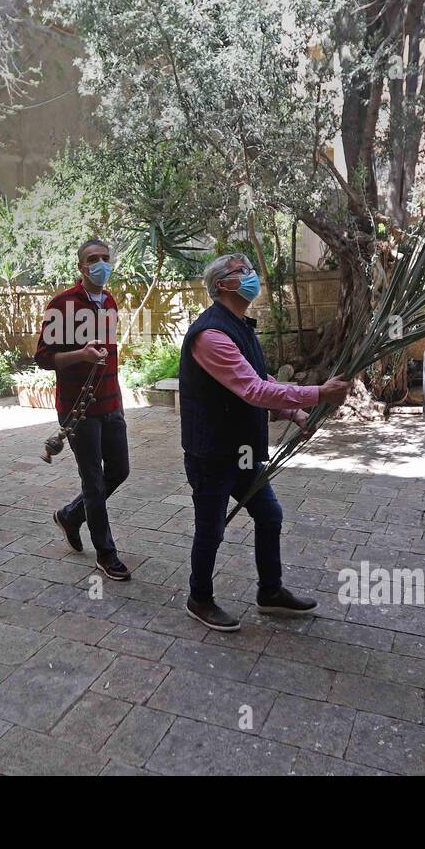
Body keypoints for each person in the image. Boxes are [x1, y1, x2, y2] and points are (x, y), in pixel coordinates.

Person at [178, 253, 350, 631]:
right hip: (211, 452)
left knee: (269, 516)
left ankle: (269, 591)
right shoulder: (210, 335)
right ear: (222, 284)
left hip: (240, 449)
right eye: (244, 272)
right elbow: (254, 390)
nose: (253, 276)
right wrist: (318, 393)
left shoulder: (239, 326)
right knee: (212, 529)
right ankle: (199, 598)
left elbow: (260, 376)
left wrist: (294, 412)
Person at [34, 238, 131, 581]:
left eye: (105, 258)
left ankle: (72, 515)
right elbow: (43, 357)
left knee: (119, 469)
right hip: (79, 408)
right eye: (93, 259)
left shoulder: (109, 301)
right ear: (81, 266)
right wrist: (80, 355)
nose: (101, 263)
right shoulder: (62, 304)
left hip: (111, 403)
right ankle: (106, 553)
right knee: (92, 478)